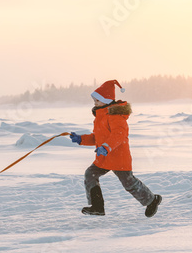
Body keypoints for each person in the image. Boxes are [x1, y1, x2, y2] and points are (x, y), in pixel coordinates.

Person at [69, 80, 162, 217]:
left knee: (129, 183)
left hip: (118, 157)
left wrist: (106, 147)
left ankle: (152, 200)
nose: (95, 103)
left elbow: (119, 135)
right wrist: (81, 139)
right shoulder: (100, 116)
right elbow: (97, 137)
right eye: (94, 100)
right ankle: (97, 206)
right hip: (104, 157)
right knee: (90, 174)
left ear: (107, 100)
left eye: (98, 100)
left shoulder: (116, 116)